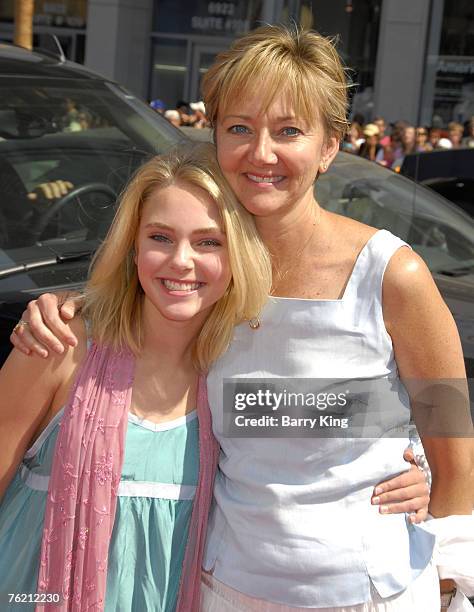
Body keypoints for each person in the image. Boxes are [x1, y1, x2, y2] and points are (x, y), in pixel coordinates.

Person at [12, 25, 473, 611]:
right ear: (215, 136)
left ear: (330, 146)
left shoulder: (391, 275)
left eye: (289, 131)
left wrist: (442, 548)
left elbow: (452, 435)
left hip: (370, 593)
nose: (261, 153)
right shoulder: (203, 275)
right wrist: (64, 309)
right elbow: (137, 318)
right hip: (222, 587)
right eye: (239, 129)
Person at [0, 143, 271, 611]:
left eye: (209, 241)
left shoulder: (240, 373)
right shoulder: (61, 345)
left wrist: (411, 471)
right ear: (133, 245)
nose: (181, 261)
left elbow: (336, 438)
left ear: (238, 257)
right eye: (160, 237)